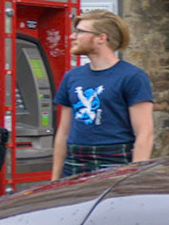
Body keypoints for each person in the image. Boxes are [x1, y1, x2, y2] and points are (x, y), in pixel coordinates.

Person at [51, 10, 154, 180]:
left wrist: (134, 178)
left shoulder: (132, 77)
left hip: (114, 160)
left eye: (80, 32)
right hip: (75, 160)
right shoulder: (72, 77)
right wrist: (54, 179)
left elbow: (145, 132)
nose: (71, 36)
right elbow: (63, 132)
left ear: (102, 38)